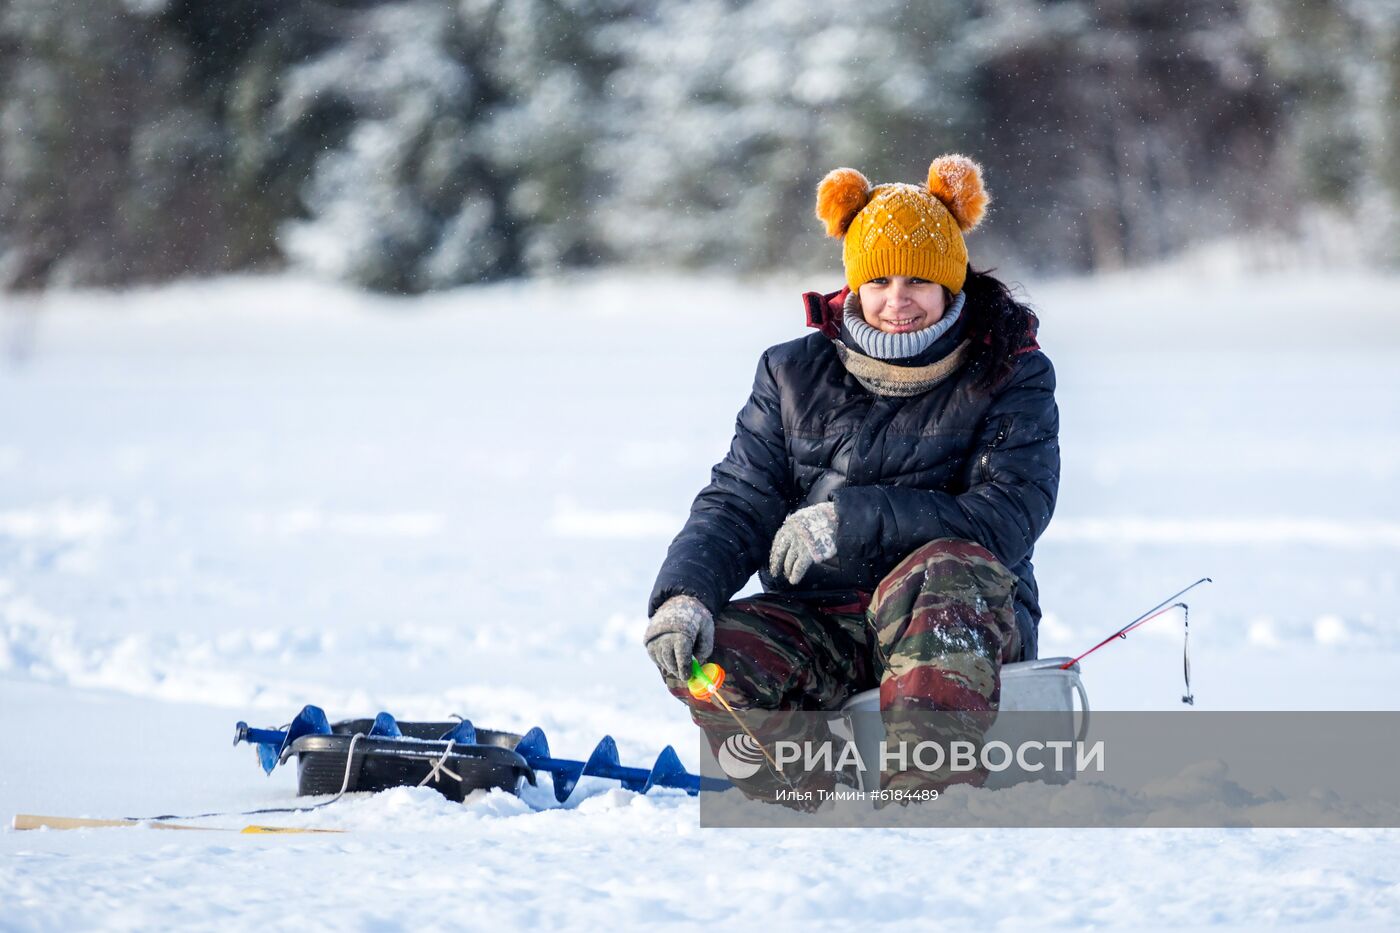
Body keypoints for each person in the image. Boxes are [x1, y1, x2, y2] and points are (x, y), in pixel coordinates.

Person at [643, 154, 1060, 800]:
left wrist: (848, 519)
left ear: (951, 282)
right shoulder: (790, 374)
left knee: (948, 567)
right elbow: (737, 500)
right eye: (880, 279)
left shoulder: (1010, 371)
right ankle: (810, 797)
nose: (898, 301)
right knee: (711, 656)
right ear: (855, 283)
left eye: (918, 280)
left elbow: (1005, 517)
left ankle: (930, 797)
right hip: (823, 625)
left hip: (957, 625)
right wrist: (684, 593)